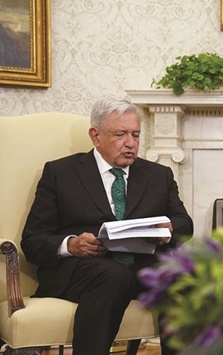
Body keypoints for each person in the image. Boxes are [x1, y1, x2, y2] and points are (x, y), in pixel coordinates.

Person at [21, 96, 193, 355]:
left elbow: (184, 224)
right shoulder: (60, 173)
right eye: (121, 134)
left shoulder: (159, 175)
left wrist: (165, 230)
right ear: (95, 135)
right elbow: (33, 239)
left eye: (136, 135)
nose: (131, 144)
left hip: (142, 264)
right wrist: (72, 244)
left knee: (185, 274)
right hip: (82, 268)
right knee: (113, 277)